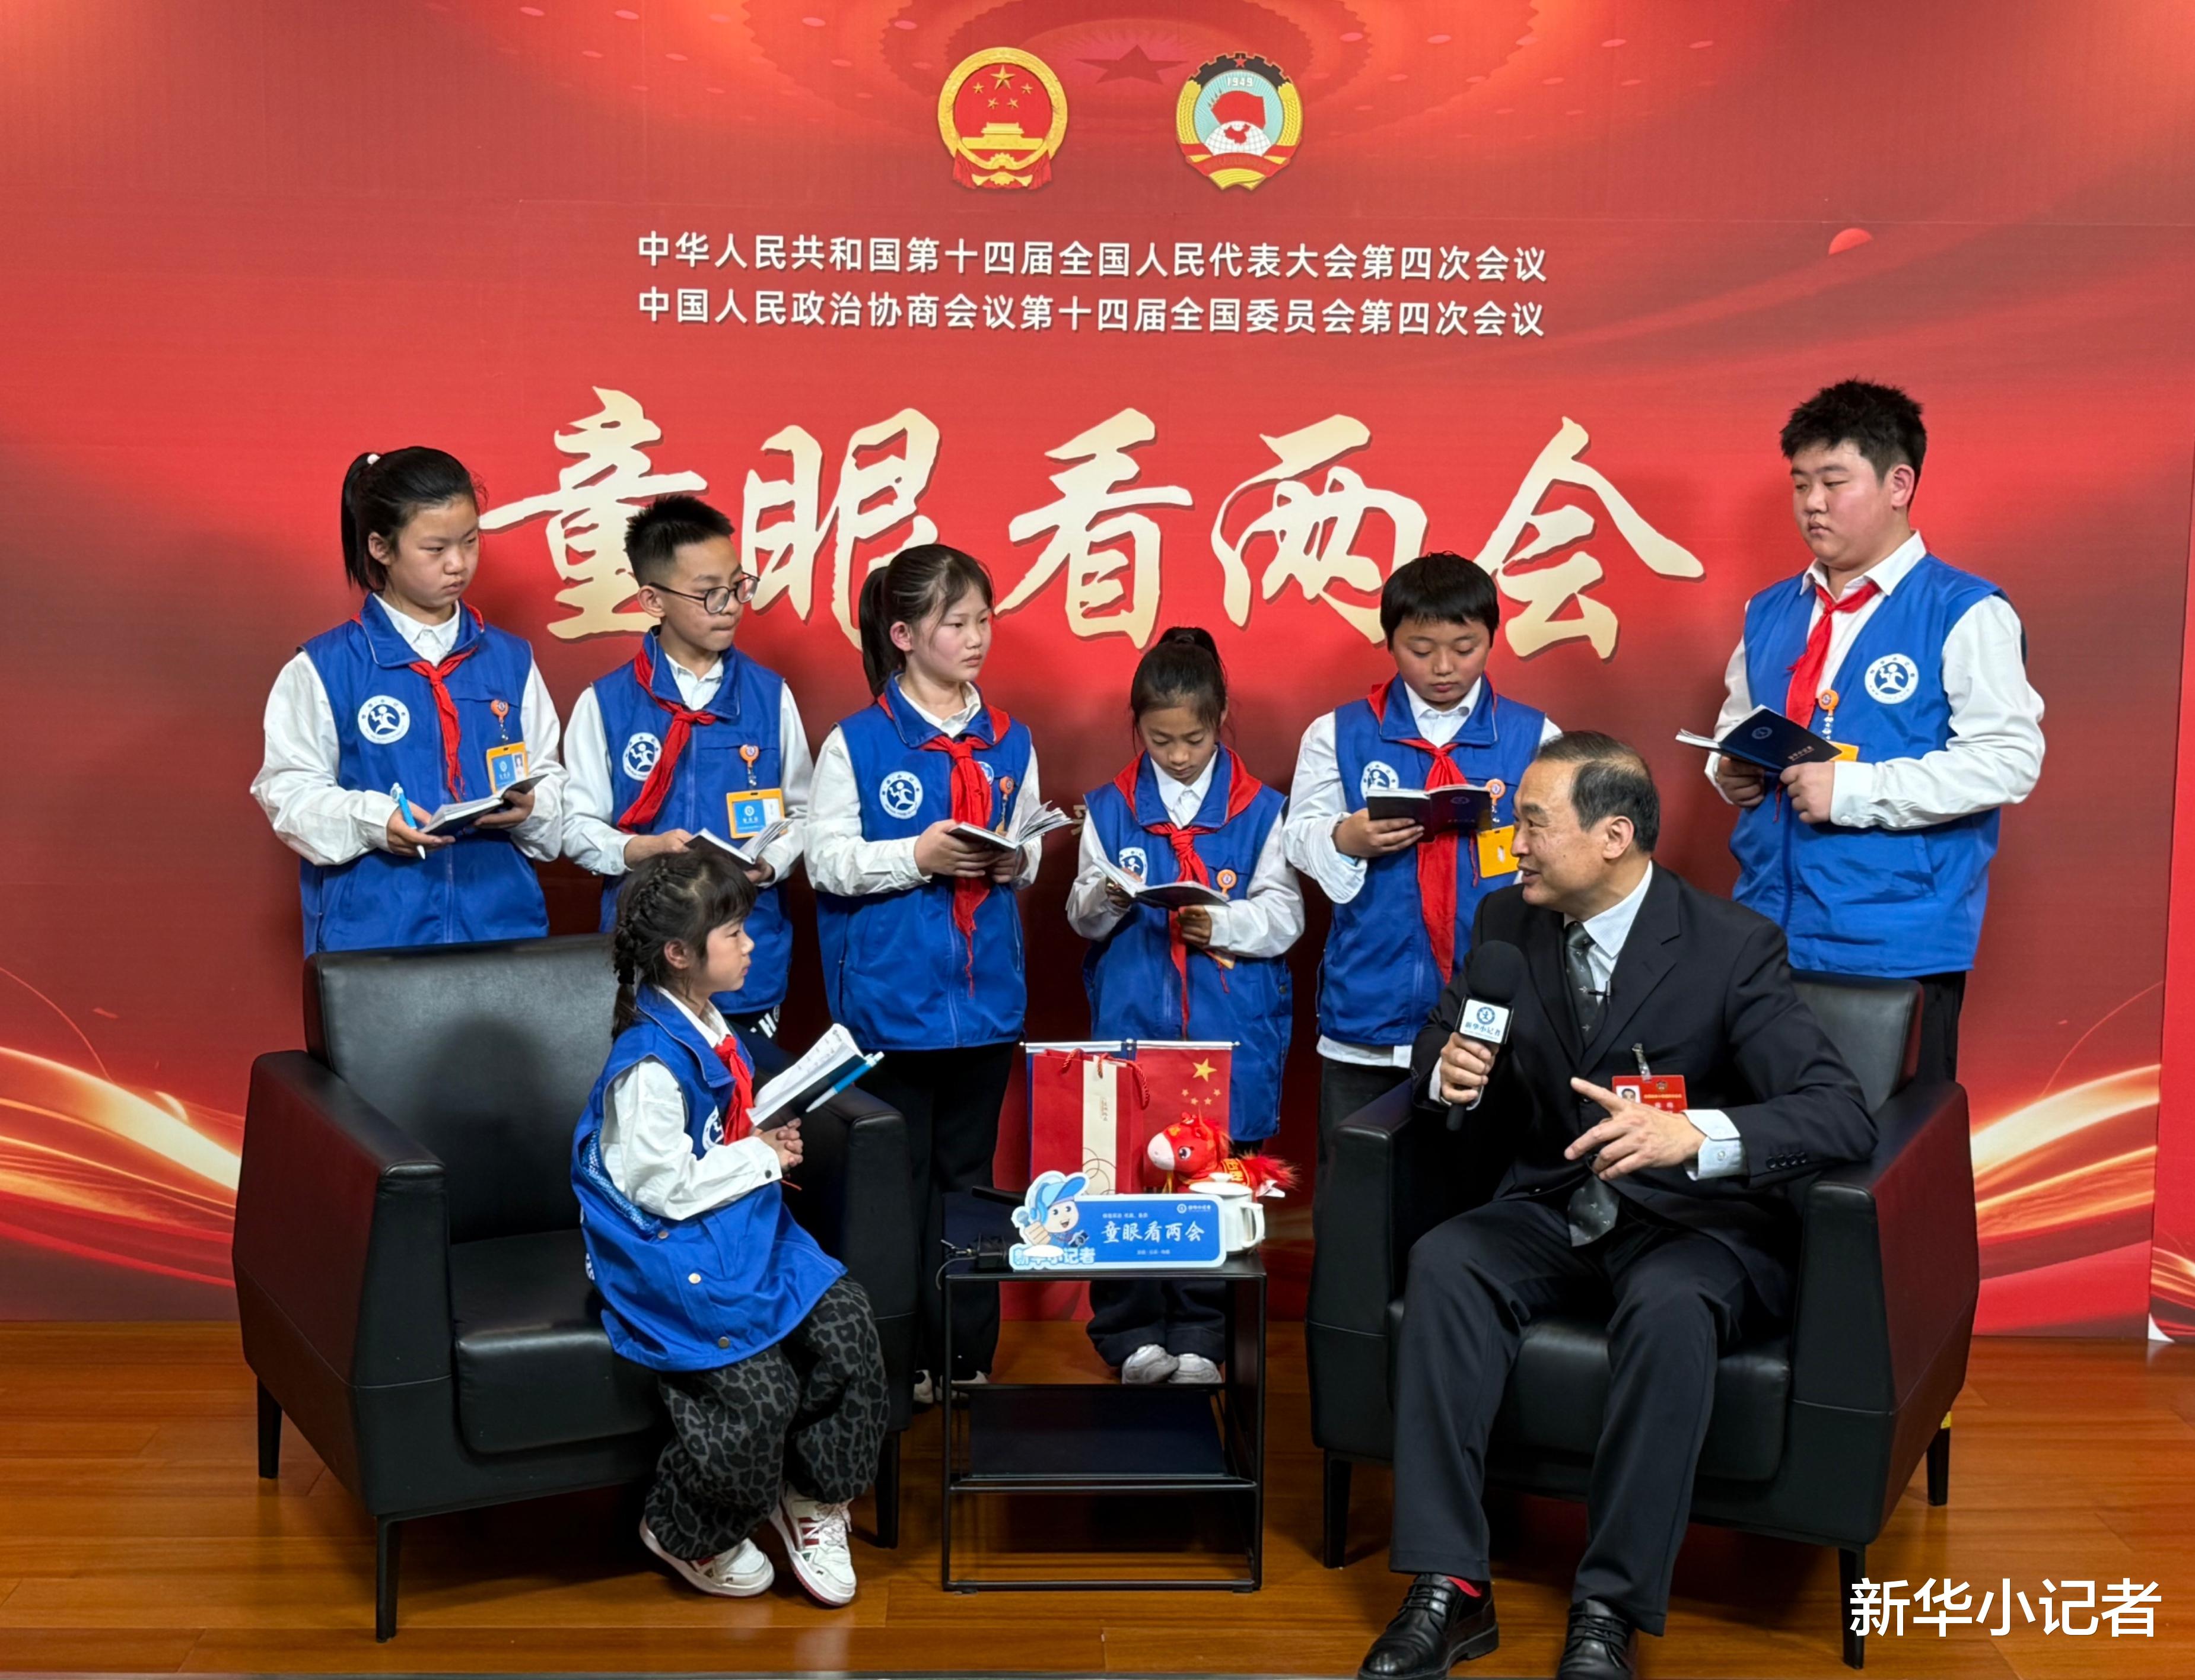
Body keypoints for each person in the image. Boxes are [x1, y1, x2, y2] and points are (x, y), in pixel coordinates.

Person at [1357, 734, 1874, 1680]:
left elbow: (1839, 1111)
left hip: (1692, 1222)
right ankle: (1450, 1585)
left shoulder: (1730, 947)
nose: (1515, 845)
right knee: (1447, 1261)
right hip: (1556, 1199)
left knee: (1671, 1308)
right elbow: (1444, 1036)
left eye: (1533, 825)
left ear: (1614, 836)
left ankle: (1609, 1608)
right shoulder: (1506, 924)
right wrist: (1446, 1074)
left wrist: (1698, 1135)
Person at [572, 850, 887, 1608]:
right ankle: (686, 1528)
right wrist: (759, 1156)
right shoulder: (649, 1064)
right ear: (679, 955)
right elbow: (658, 1188)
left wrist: (761, 1138)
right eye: (735, 934)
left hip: (735, 1223)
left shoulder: (711, 1022)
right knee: (757, 1393)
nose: (751, 946)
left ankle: (813, 1497)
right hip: (667, 1246)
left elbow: (715, 1133)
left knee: (848, 1324)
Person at [1708, 380, 2043, 1082]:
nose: (1812, 503)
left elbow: (2009, 759)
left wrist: (1854, 791)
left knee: (1886, 1144)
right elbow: (1737, 725)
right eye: (1800, 483)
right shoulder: (1768, 611)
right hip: (1765, 930)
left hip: (1894, 942)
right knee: (1765, 1132)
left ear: (1899, 484)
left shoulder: (1964, 610)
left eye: (1833, 482)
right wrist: (1727, 772)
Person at [807, 545, 1049, 1403]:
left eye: (984, 620)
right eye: (956, 623)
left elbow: (1030, 845)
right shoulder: (858, 742)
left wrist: (1016, 861)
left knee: (968, 1186)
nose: (976, 638)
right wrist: (916, 855)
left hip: (985, 1005)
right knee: (896, 1190)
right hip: (891, 1007)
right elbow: (825, 860)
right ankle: (897, 1359)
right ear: (905, 635)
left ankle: (964, 1357)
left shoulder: (1010, 738)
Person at [1066, 627, 1304, 1385]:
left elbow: (1286, 915)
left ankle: (1204, 1337)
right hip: (1133, 1025)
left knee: (1216, 1185)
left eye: (1193, 740)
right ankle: (1132, 1336)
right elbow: (1080, 917)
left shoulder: (1261, 810)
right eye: (1159, 740)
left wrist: (1221, 924)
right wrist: (1106, 897)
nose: (1176, 756)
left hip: (1226, 1030)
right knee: (1127, 1182)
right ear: (1137, 727)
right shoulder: (1109, 808)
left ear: (1220, 719)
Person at [1283, 552, 1560, 1194]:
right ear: (1390, 642)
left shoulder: (1535, 737)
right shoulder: (1338, 733)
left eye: (1465, 648)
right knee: (1356, 1194)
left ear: (1492, 637)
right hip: (1370, 1000)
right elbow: (1298, 836)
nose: (1443, 668)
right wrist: (1345, 837)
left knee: (1481, 1190)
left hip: (1490, 1009)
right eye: (1420, 649)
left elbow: (1563, 850)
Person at [253, 447, 564, 954]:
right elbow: (288, 793)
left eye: (470, 541)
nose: (458, 564)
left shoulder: (512, 660)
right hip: (376, 939)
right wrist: (376, 822)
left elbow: (548, 774)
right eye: (435, 548)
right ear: (381, 547)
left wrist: (534, 807)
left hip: (503, 929)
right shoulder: (325, 667)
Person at [563, 494, 812, 1036]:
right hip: (645, 963)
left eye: (738, 586)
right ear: (653, 600)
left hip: (745, 960)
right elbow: (575, 826)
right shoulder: (605, 703)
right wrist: (637, 849)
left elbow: (804, 814)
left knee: (748, 1088)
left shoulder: (771, 696)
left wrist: (770, 864)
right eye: (709, 594)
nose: (731, 606)